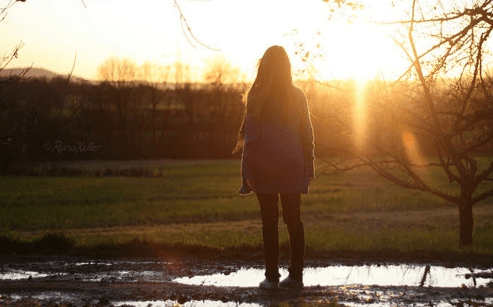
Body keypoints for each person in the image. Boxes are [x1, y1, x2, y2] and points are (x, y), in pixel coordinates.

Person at [233, 45, 315, 290]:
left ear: (264, 67)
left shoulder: (257, 98)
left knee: (269, 223)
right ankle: (296, 276)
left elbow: (251, 140)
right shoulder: (298, 96)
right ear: (287, 67)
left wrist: (246, 174)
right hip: (292, 167)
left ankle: (271, 278)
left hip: (264, 171)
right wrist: (309, 167)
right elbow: (307, 134)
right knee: (294, 221)